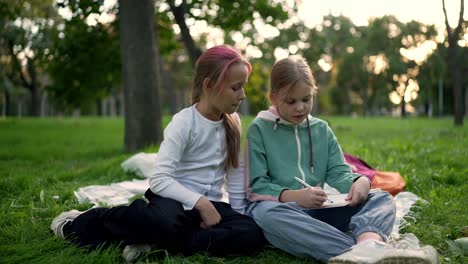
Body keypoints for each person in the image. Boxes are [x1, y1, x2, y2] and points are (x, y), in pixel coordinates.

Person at [50, 45, 267, 261]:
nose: (243, 95)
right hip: (173, 202)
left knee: (252, 234)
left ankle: (158, 242)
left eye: (243, 87)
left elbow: (235, 172)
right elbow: (160, 180)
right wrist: (201, 203)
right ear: (209, 85)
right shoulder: (184, 123)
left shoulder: (233, 122)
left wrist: (238, 215)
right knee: (160, 222)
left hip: (212, 207)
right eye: (236, 88)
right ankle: (77, 222)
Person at [244, 57, 439, 263]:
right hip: (284, 211)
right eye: (291, 101)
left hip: (320, 210)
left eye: (306, 99)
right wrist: (294, 196)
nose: (300, 108)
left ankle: (366, 247)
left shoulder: (321, 129)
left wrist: (359, 182)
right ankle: (367, 252)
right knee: (267, 216)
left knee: (381, 198)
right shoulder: (259, 129)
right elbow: (256, 187)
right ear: (273, 97)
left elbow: (338, 173)